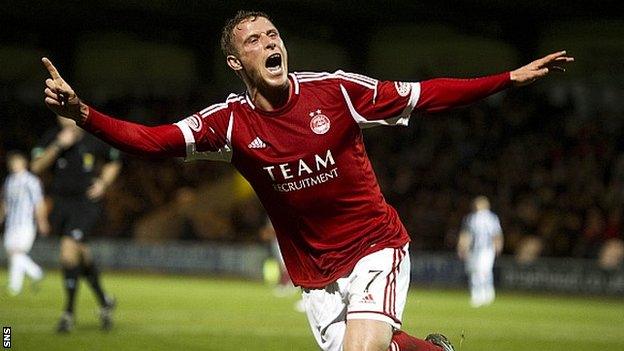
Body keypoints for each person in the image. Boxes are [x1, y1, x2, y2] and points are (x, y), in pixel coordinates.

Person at [40, 10, 573, 351]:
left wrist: (509, 77)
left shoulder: (335, 91)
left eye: (273, 34)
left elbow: (425, 93)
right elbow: (154, 142)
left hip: (374, 248)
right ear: (234, 61)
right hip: (315, 275)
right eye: (254, 40)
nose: (269, 42)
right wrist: (84, 113)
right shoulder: (229, 124)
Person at [30, 116, 121, 333]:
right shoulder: (52, 137)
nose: (66, 118)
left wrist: (103, 183)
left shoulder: (93, 137)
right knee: (81, 253)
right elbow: (35, 166)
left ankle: (68, 314)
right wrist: (58, 145)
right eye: (61, 113)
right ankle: (105, 300)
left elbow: (114, 160)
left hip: (86, 203)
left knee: (68, 253)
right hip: (61, 205)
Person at [1, 151, 49, 296]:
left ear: (24, 163)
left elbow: (38, 202)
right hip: (11, 223)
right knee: (12, 252)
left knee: (17, 252)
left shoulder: (31, 181)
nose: (14, 166)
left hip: (25, 223)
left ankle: (17, 285)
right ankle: (33, 274)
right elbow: (5, 202)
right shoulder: (9, 180)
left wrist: (42, 221)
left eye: (17, 162)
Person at [457, 196, 503, 307]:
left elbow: (496, 234)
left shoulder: (486, 218)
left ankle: (482, 293)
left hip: (484, 249)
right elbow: (466, 234)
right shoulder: (477, 218)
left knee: (481, 271)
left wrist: (462, 247)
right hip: (479, 249)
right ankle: (482, 293)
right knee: (478, 271)